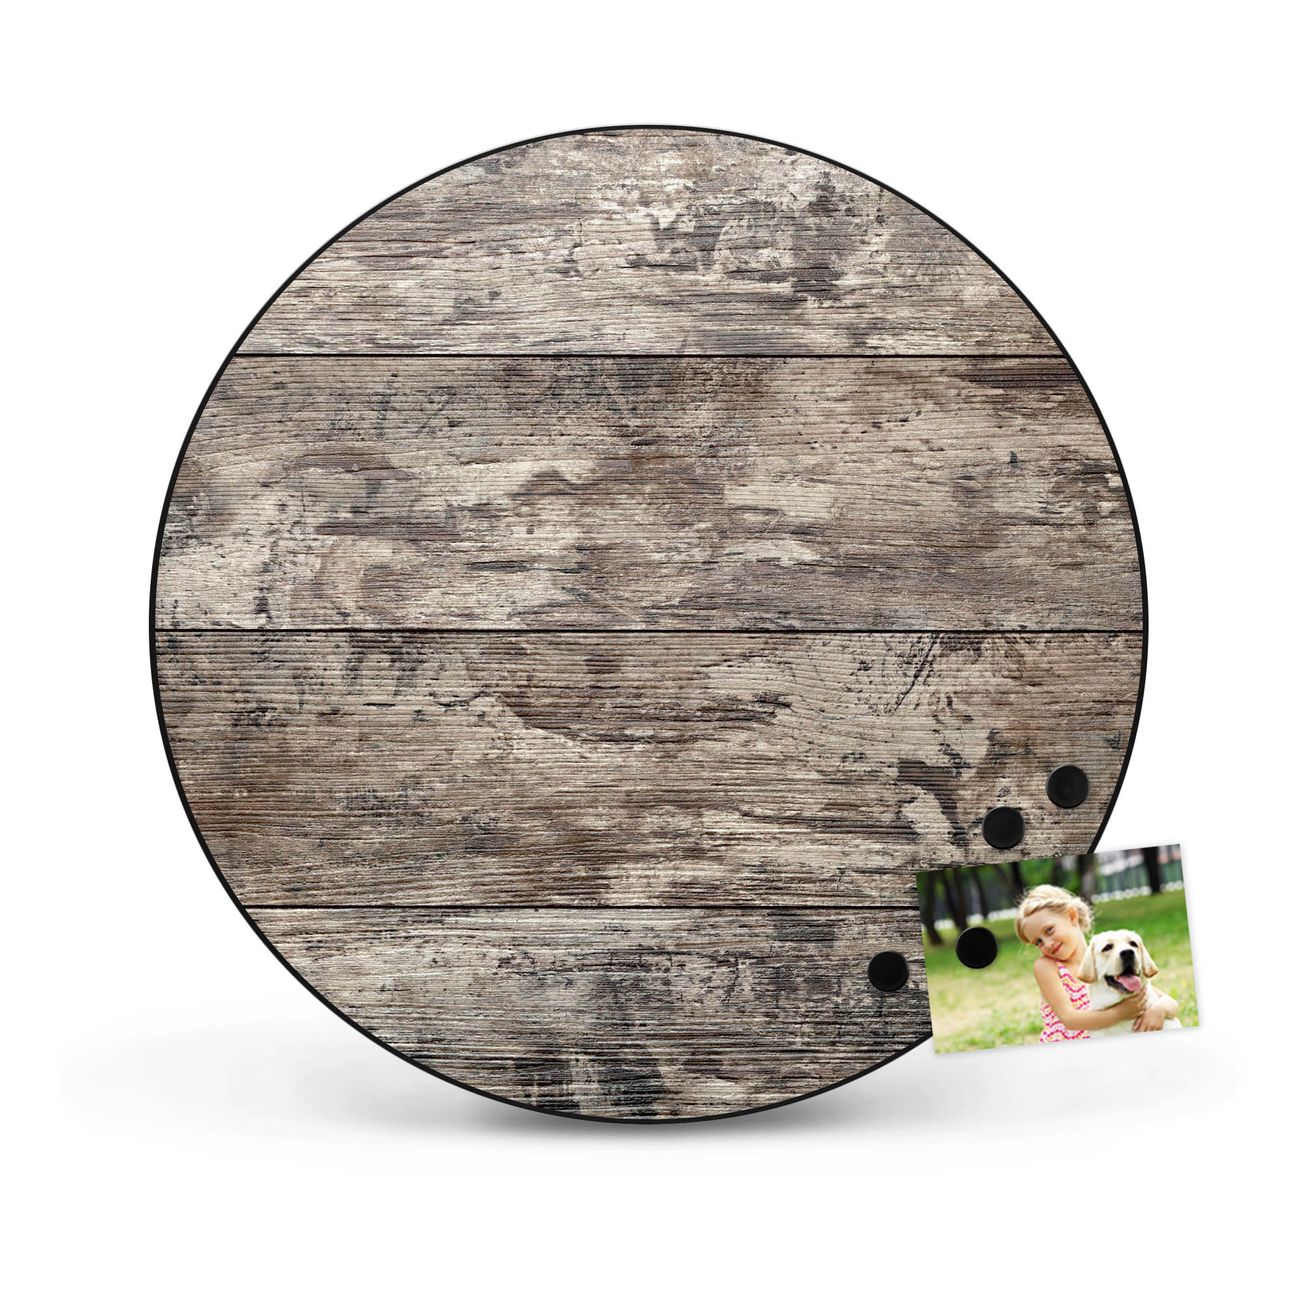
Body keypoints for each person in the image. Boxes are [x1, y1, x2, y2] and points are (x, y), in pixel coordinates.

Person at [1014, 884, 1173, 1041]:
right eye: (1038, 942)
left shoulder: (1103, 958)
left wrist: (1159, 1009)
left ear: (1072, 917)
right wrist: (1121, 1012)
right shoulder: (1046, 967)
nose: (1047, 943)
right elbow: (1069, 1019)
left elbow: (1166, 1000)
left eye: (1049, 930)